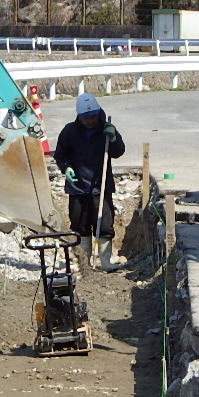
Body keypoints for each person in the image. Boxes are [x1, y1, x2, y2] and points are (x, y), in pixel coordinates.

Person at [54, 92, 126, 271]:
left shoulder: (106, 129)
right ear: (79, 117)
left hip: (100, 186)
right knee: (79, 224)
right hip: (78, 186)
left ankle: (106, 260)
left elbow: (118, 152)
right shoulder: (69, 131)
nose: (90, 121)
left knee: (104, 223)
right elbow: (60, 154)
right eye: (86, 118)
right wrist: (66, 168)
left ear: (97, 113)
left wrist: (114, 138)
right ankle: (84, 263)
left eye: (92, 117)